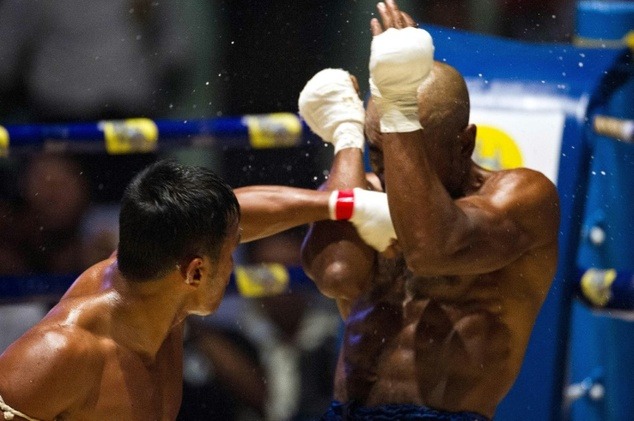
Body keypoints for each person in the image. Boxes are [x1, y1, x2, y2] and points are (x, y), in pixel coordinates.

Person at [299, 1, 560, 419]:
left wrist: (399, 104)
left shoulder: (523, 196)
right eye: (377, 151)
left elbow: (431, 250)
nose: (389, 168)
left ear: (464, 144)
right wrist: (347, 133)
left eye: (406, 149)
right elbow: (338, 274)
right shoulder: (369, 188)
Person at [0, 159, 395, 421]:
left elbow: (230, 214)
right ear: (195, 273)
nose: (233, 265)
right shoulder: (59, 353)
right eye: (230, 255)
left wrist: (346, 205)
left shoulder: (151, 264)